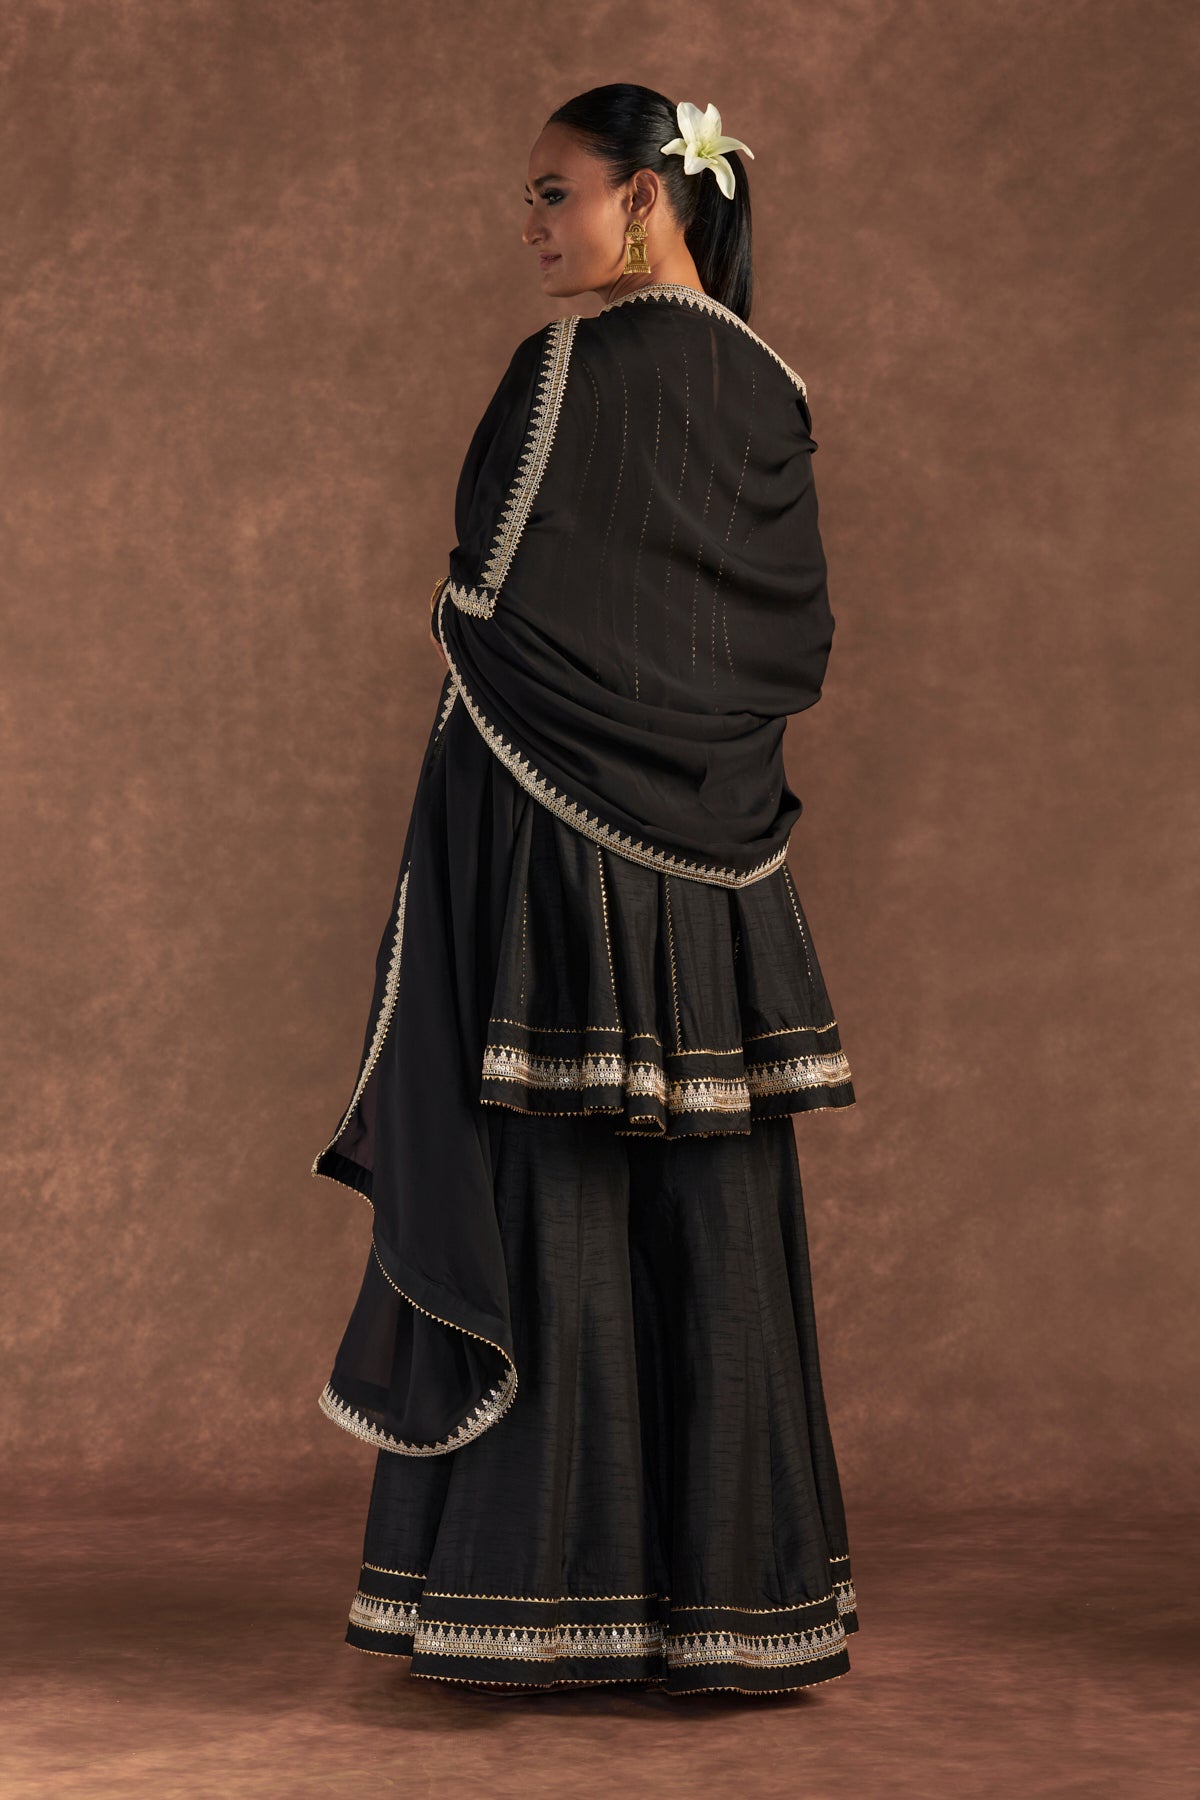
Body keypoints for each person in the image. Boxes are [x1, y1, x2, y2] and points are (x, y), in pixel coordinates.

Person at [311, 82, 860, 1698]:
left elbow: (488, 594)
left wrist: (468, 643)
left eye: (555, 191)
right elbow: (783, 643)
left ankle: (532, 1602)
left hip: (555, 853)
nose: (533, 224)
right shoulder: (772, 386)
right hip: (721, 872)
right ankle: (738, 1612)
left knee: (552, 1190)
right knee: (711, 1209)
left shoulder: (565, 368)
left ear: (648, 197)